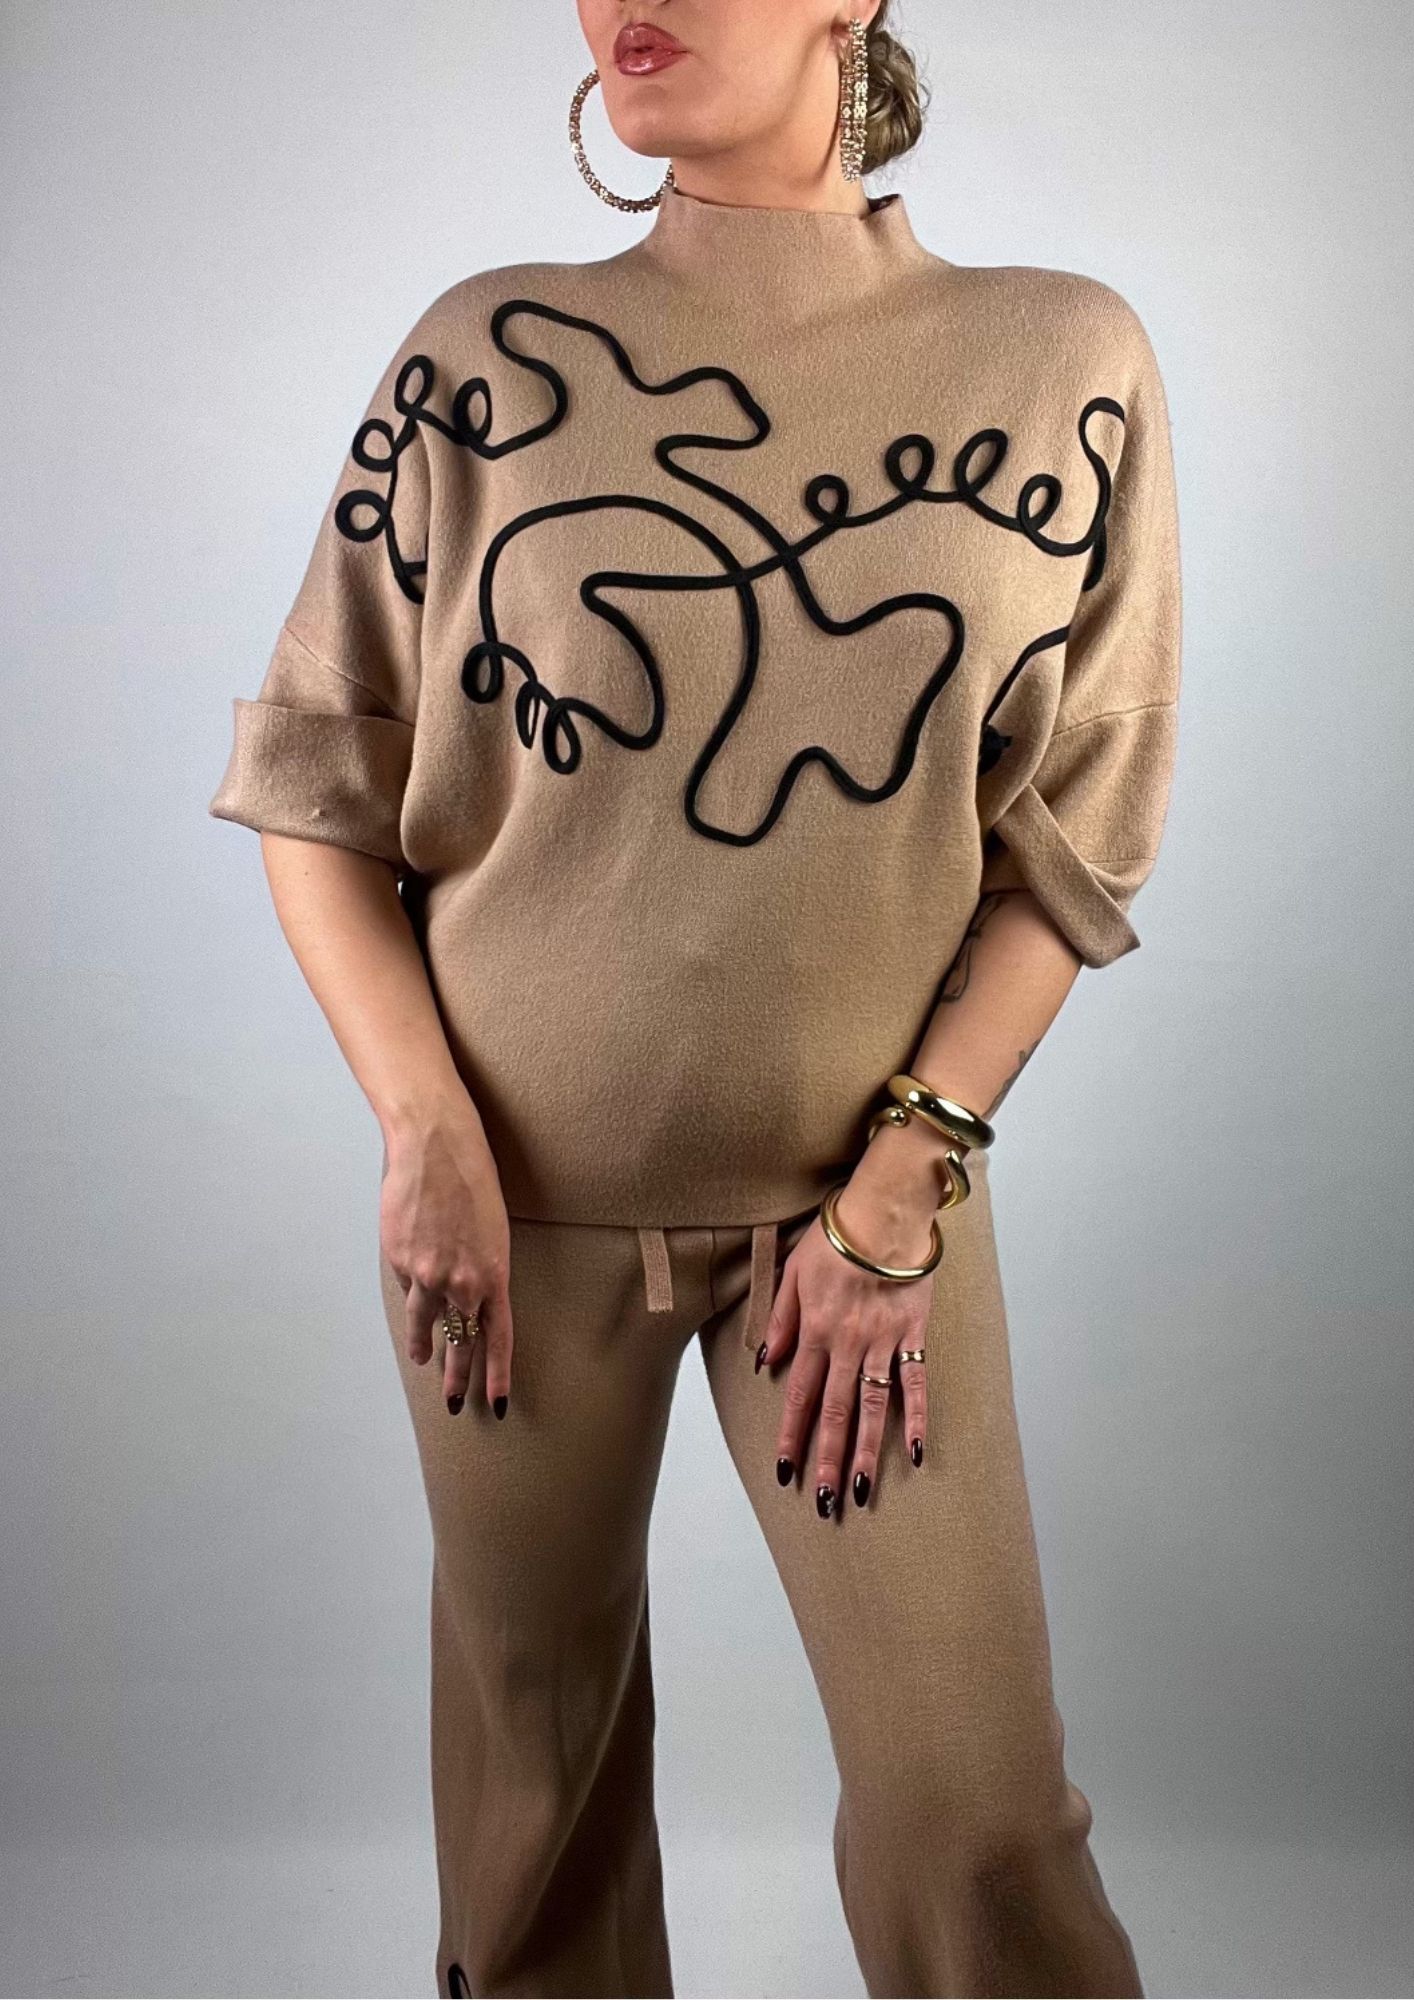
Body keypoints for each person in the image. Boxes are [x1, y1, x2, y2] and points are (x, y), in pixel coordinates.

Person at [209, 2, 1181, 1993]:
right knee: (533, 1802)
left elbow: (1071, 848)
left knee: (974, 1819)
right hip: (502, 1221)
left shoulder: (1058, 358)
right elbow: (316, 790)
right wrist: (424, 1134)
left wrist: (903, 1183)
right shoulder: (483, 357)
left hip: (864, 1223)